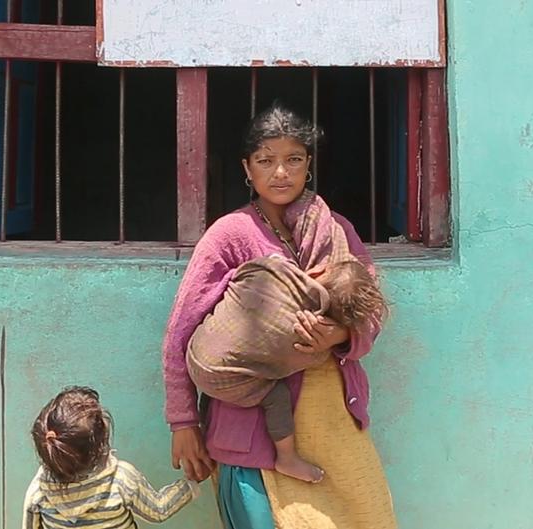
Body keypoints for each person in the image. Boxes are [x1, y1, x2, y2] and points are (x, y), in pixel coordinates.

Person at [163, 105, 398, 528]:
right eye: (265, 161)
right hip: (251, 425)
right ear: (246, 169)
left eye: (293, 160)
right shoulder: (229, 236)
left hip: (331, 421)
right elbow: (180, 334)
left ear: (308, 166)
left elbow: (370, 309)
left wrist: (339, 334)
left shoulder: (336, 230)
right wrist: (184, 423)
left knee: (365, 515)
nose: (280, 173)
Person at [186, 244, 384, 483]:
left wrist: (343, 335)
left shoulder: (277, 270)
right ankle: (287, 457)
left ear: (317, 273)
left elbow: (253, 271)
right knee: (277, 394)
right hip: (224, 387)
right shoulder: (313, 346)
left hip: (196, 350)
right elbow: (284, 366)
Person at [23, 386, 198, 529]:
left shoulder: (39, 490)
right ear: (101, 442)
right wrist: (190, 484)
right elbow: (158, 510)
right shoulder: (121, 479)